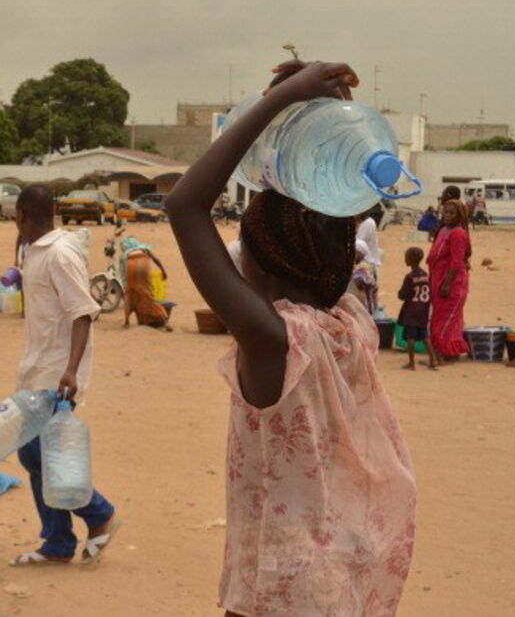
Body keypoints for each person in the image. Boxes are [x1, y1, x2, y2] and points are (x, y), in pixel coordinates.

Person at [165, 59, 416, 615]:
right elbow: (322, 214)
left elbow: (184, 206)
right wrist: (297, 104)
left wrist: (276, 104)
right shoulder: (350, 322)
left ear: (264, 268)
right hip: (346, 572)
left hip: (282, 593)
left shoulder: (275, 343)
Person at [10, 184, 119, 567]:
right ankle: (57, 541)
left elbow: (83, 312)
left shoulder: (58, 254)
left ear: (22, 216)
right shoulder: (37, 252)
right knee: (35, 455)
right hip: (37, 368)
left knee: (39, 451)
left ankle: (98, 512)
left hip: (57, 374)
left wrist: (71, 370)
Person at [427, 192, 471, 361]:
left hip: (451, 282)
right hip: (438, 278)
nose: (448, 215)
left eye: (452, 213)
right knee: (443, 315)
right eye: (446, 212)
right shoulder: (444, 230)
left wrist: (447, 283)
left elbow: (457, 261)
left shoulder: (458, 233)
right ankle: (450, 353)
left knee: (444, 317)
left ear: (460, 215)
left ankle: (439, 354)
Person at [119, 237, 174, 329]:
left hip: (130, 265)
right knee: (148, 294)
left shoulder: (125, 254)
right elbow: (156, 259)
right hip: (144, 263)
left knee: (130, 293)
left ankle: (126, 322)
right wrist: (163, 271)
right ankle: (165, 321)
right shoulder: (143, 249)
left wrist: (126, 284)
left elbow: (123, 272)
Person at [398, 247, 439, 370]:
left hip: (412, 309)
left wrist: (400, 293)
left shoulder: (409, 277)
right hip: (424, 308)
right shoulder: (425, 275)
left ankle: (411, 363)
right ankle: (433, 360)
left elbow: (403, 295)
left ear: (410, 259)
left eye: (406, 257)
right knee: (424, 335)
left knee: (411, 336)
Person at [348, 239, 378, 315]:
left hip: (361, 309)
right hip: (361, 307)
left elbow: (360, 284)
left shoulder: (363, 268)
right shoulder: (369, 266)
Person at [356, 207, 381, 275]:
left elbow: (358, 246)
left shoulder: (368, 223)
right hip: (363, 262)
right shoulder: (365, 222)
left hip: (367, 264)